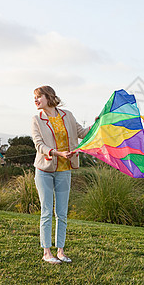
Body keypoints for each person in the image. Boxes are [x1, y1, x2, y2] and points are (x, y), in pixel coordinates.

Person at [31, 85, 91, 264]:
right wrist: (57, 153)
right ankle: (46, 252)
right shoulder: (36, 119)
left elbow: (82, 133)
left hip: (64, 171)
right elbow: (39, 145)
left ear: (48, 97)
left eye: (38, 97)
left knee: (62, 213)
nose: (35, 100)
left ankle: (61, 251)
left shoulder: (68, 115)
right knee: (47, 211)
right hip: (44, 171)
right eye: (34, 98)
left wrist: (97, 124)